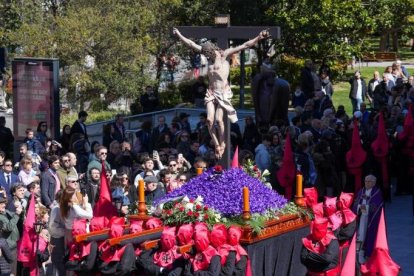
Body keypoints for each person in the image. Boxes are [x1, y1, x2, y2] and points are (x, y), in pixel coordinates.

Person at [173, 27, 269, 159]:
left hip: (223, 93)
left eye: (207, 54)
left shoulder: (225, 55)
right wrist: (179, 35)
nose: (207, 58)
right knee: (209, 120)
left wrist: (259, 37)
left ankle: (223, 143)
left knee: (219, 119)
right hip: (211, 92)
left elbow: (245, 45)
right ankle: (217, 144)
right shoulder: (208, 56)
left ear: (212, 51)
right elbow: (191, 44)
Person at [352, 174, 384, 264]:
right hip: (361, 217)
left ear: (374, 183)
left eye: (369, 181)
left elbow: (378, 206)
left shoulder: (377, 192)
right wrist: (359, 207)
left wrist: (366, 207)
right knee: (360, 234)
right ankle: (359, 253)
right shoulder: (361, 191)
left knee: (369, 235)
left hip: (371, 219)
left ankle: (369, 255)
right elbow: (356, 202)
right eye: (365, 181)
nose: (367, 183)